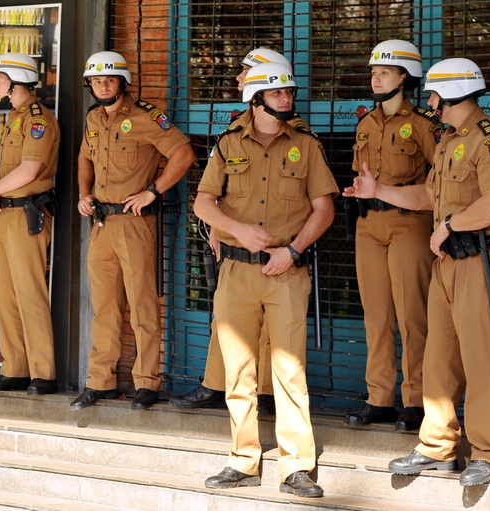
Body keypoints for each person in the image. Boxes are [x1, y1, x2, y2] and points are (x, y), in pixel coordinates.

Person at [344, 57, 490, 486]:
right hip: (448, 262)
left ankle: (488, 451)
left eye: (433, 94)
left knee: (482, 357)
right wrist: (379, 191)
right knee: (440, 358)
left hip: (483, 258)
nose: (430, 101)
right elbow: (429, 195)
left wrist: (448, 225)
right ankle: (438, 447)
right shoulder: (448, 141)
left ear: (450, 93)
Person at [195, 62, 338, 498]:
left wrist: (292, 251)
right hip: (236, 271)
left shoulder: (306, 146)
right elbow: (204, 203)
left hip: (287, 273)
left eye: (288, 92)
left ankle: (297, 467)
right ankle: (243, 461)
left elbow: (324, 208)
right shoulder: (227, 144)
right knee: (238, 372)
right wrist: (237, 231)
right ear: (254, 99)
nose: (286, 99)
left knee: (290, 371)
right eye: (277, 93)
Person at [169, 47, 297, 414]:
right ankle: (217, 383)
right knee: (226, 320)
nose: (238, 78)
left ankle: (268, 393)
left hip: (275, 248)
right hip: (233, 242)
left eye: (245, 72)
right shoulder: (237, 128)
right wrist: (217, 228)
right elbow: (219, 190)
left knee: (272, 330)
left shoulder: (294, 134)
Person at [72, 51, 195, 410]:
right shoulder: (94, 118)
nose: (103, 86)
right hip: (100, 221)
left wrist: (153, 190)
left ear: (122, 82)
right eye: (96, 81)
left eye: (109, 80)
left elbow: (184, 154)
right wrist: (83, 193)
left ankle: (147, 383)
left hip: (134, 222)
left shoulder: (145, 116)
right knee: (104, 308)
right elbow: (85, 158)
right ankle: (101, 381)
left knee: (142, 305)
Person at [343, 40, 442, 431]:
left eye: (384, 71)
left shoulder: (423, 124)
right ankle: (379, 398)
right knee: (376, 316)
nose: (376, 77)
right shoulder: (365, 123)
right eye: (373, 71)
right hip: (369, 226)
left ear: (405, 77)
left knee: (412, 316)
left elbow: (443, 178)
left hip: (409, 222)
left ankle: (415, 400)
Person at [0, 53, 60, 395]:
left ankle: (43, 372)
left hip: (28, 214)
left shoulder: (38, 120)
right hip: (3, 215)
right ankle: (16, 368)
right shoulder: (13, 118)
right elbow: (6, 166)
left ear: (16, 79)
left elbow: (30, 171)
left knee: (30, 294)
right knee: (5, 297)